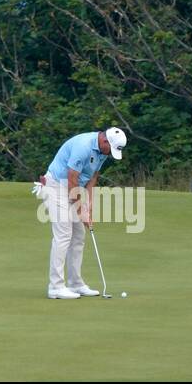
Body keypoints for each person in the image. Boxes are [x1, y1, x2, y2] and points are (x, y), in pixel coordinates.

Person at [43, 127, 127, 298]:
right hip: (56, 186)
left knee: (79, 236)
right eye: (110, 149)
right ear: (105, 141)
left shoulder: (103, 152)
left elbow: (92, 178)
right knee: (64, 234)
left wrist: (88, 208)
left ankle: (75, 284)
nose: (110, 154)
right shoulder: (83, 146)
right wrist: (81, 210)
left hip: (72, 187)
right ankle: (55, 287)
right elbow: (72, 179)